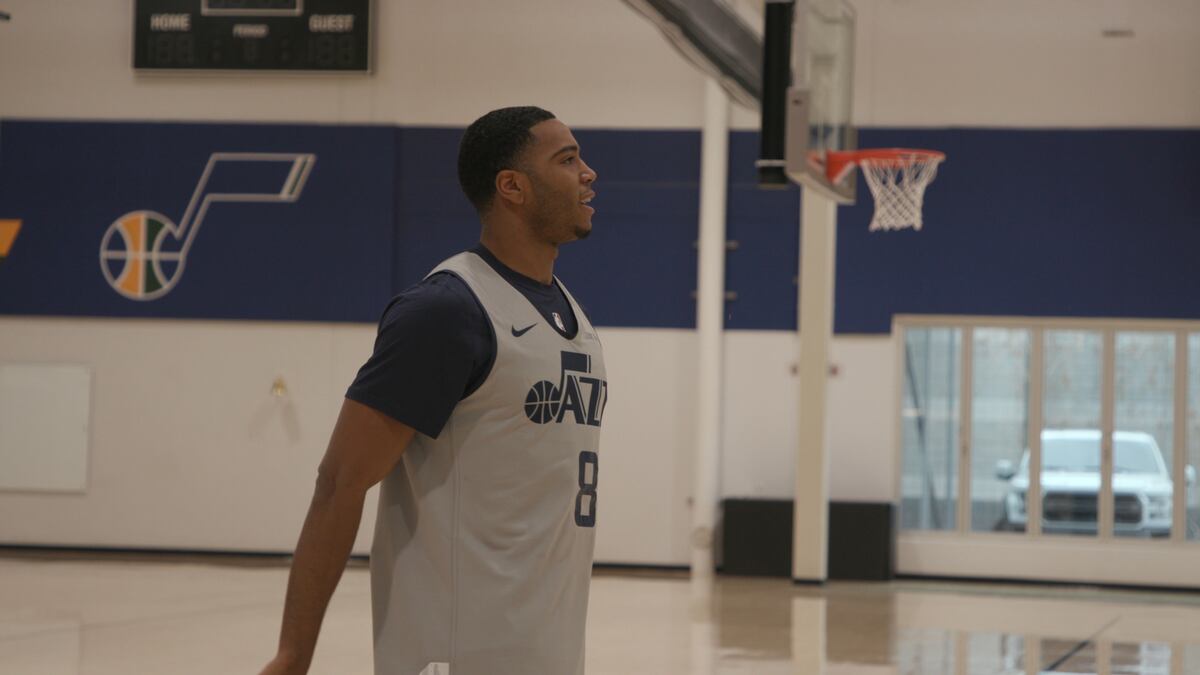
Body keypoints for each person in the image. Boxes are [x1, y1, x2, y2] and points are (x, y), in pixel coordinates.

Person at [259, 106, 607, 675]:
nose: (588, 173)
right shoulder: (447, 311)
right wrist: (293, 655)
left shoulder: (573, 316)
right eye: (567, 160)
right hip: (454, 657)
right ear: (512, 187)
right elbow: (339, 483)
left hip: (549, 653)